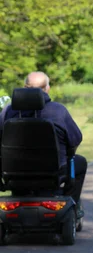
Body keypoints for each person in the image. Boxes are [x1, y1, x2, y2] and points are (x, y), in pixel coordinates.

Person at [0, 71, 86, 215]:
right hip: (53, 172)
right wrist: (68, 153)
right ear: (47, 89)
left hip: (14, 174)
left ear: (24, 87)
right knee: (80, 162)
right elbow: (75, 140)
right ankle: (72, 205)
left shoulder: (7, 112)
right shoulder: (59, 111)